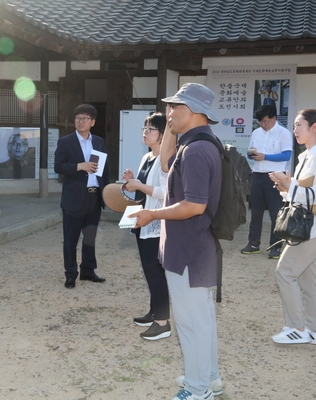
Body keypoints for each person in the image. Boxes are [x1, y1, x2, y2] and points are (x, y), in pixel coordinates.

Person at [131, 83, 223, 400]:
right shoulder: (197, 143)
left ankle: (198, 390)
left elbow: (195, 205)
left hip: (188, 251)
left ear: (193, 110)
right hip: (196, 248)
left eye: (175, 107)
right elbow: (166, 162)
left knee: (190, 322)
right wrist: (170, 127)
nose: (169, 112)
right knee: (202, 318)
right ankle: (209, 378)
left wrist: (153, 216)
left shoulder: (197, 150)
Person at [268, 109, 316, 345]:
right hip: (309, 225)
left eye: (299, 125)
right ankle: (314, 330)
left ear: (314, 127)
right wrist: (286, 186)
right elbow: (302, 192)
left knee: (284, 272)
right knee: (308, 279)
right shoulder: (308, 155)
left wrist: (289, 187)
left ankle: (297, 328)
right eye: (293, 126)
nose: (295, 130)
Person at [121, 112, 170, 340]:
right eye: (144, 129)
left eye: (150, 129)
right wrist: (134, 180)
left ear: (162, 135)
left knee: (155, 271)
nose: (145, 133)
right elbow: (143, 187)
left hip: (155, 221)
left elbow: (165, 193)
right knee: (149, 270)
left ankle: (162, 322)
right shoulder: (147, 157)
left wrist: (139, 184)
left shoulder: (165, 160)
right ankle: (154, 312)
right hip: (142, 218)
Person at [54, 103, 109, 289]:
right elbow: (58, 167)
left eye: (85, 118)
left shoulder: (99, 141)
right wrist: (80, 166)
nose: (81, 121)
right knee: (70, 239)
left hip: (94, 197)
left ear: (92, 122)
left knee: (90, 237)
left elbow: (104, 170)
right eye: (78, 118)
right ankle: (70, 274)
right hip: (74, 198)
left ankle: (88, 271)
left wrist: (106, 194)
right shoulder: (65, 142)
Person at [241, 104, 293, 259]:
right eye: (260, 122)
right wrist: (252, 155)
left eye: (265, 121)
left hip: (277, 175)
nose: (263, 125)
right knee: (256, 212)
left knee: (276, 212)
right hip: (257, 174)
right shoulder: (256, 132)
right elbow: (251, 151)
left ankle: (275, 247)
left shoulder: (283, 133)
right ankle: (253, 243)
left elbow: (286, 155)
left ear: (274, 119)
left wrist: (265, 156)